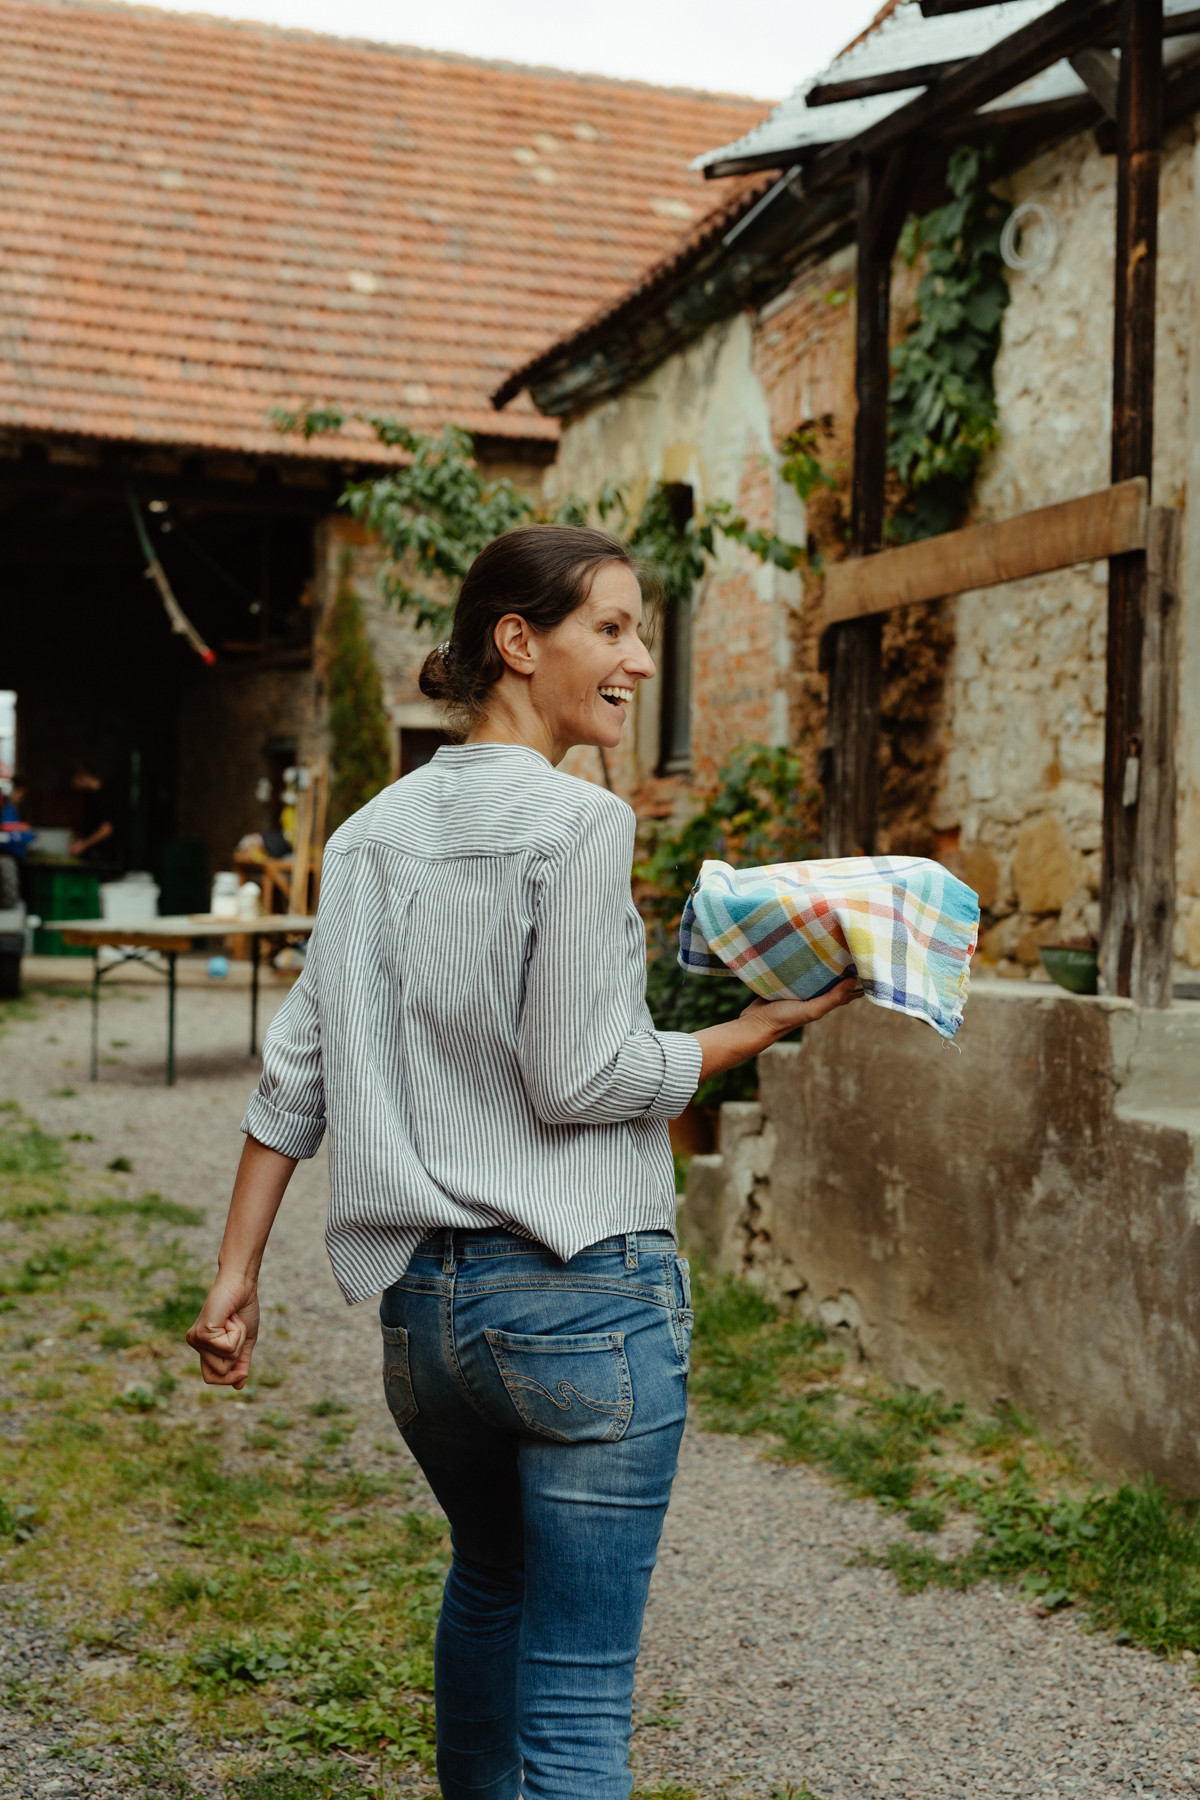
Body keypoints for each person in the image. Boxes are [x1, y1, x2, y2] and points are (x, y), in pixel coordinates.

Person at [187, 525, 857, 1800]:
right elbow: (586, 1078)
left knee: (489, 1585)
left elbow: (297, 1074)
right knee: (582, 1695)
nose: (641, 662)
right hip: (584, 1311)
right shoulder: (581, 824)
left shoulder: (373, 835)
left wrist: (237, 1276)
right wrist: (752, 1030)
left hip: (428, 1327)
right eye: (611, 629)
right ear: (516, 641)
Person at [68, 762, 117, 861]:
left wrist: (83, 844)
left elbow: (106, 829)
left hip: (102, 855)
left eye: (75, 779)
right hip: (92, 853)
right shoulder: (90, 796)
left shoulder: (106, 796)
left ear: (86, 776)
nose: (74, 784)